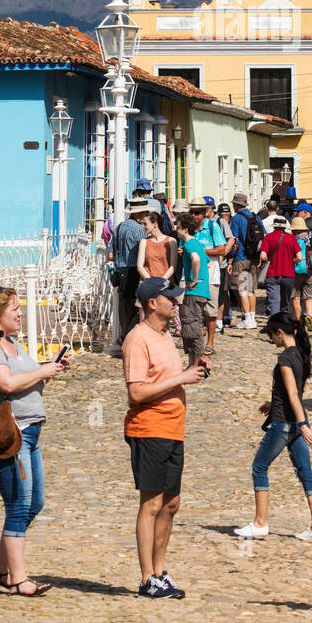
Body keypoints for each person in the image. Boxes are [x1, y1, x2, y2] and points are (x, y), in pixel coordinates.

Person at [0, 284, 70, 595]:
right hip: (10, 434)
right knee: (18, 504)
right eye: (14, 309)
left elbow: (25, 385)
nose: (19, 313)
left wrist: (49, 369)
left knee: (34, 503)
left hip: (30, 430)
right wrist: (43, 372)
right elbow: (7, 384)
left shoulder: (13, 343)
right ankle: (18, 578)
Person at [122, 277, 208, 598]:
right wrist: (181, 377)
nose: (176, 303)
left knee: (171, 504)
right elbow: (136, 392)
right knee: (152, 503)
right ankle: (147, 578)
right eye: (169, 299)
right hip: (149, 428)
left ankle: (160, 572)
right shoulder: (137, 340)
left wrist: (193, 369)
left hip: (173, 428)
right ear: (152, 304)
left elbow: (167, 378)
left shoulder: (164, 335)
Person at [234, 312, 312, 541]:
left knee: (259, 467)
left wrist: (302, 424)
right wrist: (273, 404)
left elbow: (293, 393)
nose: (271, 338)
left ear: (280, 333)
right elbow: (294, 391)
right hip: (295, 420)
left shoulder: (285, 358)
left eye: (272, 334)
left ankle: (260, 523)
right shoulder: (301, 354)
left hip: (285, 423)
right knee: (305, 472)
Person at [109, 198, 150, 351]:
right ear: (140, 213)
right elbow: (146, 252)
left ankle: (124, 337)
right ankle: (126, 338)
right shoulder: (140, 230)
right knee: (137, 307)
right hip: (134, 269)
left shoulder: (119, 228)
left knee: (124, 307)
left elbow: (110, 255)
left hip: (120, 270)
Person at [189, 198, 228, 352]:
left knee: (211, 310)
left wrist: (201, 251)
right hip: (192, 273)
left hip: (211, 273)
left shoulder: (213, 227)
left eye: (197, 212)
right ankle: (195, 340)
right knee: (192, 309)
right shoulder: (188, 228)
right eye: (192, 212)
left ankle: (210, 342)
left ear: (205, 213)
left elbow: (221, 249)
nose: (194, 216)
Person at [174, 213, 211, 363]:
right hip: (201, 291)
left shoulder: (189, 244)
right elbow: (208, 263)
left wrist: (195, 280)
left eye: (178, 227)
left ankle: (196, 363)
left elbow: (196, 259)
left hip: (195, 291)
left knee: (190, 326)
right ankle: (193, 362)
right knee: (192, 325)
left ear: (185, 229)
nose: (176, 229)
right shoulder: (195, 244)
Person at [229, 192, 263, 330]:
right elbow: (263, 236)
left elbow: (234, 240)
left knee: (242, 289)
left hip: (241, 257)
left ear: (236, 205)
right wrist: (259, 255)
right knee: (251, 289)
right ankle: (252, 318)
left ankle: (247, 318)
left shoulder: (236, 218)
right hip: (253, 257)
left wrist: (230, 260)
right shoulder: (255, 217)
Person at [259, 215, 302, 313]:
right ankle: (284, 320)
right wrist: (292, 261)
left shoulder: (268, 237)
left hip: (272, 274)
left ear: (274, 226)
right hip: (288, 274)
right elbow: (299, 257)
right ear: (285, 227)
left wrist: (268, 259)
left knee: (274, 302)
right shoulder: (291, 238)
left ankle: (275, 320)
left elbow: (263, 256)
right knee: (285, 303)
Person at [290, 218, 312, 326]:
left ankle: (298, 320)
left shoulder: (293, 240)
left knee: (296, 296)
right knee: (309, 296)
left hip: (296, 271)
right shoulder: (311, 240)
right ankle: (309, 315)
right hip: (309, 270)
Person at [137, 212, 177, 284]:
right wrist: (151, 282)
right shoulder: (144, 242)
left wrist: (161, 281)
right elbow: (140, 266)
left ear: (154, 224)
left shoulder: (171, 241)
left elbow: (173, 266)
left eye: (145, 224)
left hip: (166, 283)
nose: (143, 226)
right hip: (148, 283)